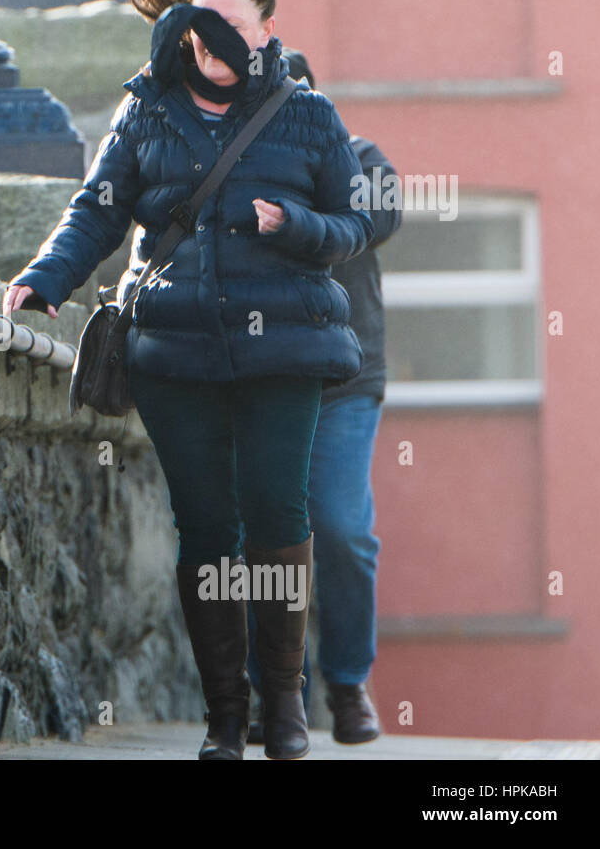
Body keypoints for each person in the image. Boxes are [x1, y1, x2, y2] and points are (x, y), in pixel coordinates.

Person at [0, 0, 374, 760]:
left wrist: (298, 230)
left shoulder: (308, 115)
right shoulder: (147, 111)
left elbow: (357, 223)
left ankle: (284, 708)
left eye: (235, 29)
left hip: (286, 348)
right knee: (206, 530)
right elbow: (95, 210)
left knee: (278, 515)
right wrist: (45, 279)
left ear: (265, 31)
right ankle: (224, 720)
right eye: (204, 29)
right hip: (174, 352)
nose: (217, 46)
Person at [243, 47, 401, 747]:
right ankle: (280, 695)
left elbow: (377, 219)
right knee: (263, 543)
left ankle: (347, 682)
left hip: (344, 382)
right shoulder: (236, 175)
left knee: (340, 529)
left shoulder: (362, 162)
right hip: (258, 380)